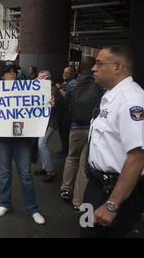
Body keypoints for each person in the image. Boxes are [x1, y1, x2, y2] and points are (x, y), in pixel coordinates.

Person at [81, 45, 144, 238]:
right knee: (86, 231)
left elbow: (137, 157)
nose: (93, 68)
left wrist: (111, 205)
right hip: (96, 187)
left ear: (118, 67)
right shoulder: (111, 96)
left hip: (115, 193)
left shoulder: (132, 102)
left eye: (99, 63)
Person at [0, 60, 45, 225]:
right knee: (4, 174)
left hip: (21, 141)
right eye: (8, 71)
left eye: (14, 71)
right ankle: (5, 203)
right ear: (2, 75)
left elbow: (37, 107)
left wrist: (48, 104)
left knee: (26, 175)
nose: (12, 74)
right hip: (1, 141)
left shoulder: (26, 90)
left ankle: (33, 209)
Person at [60, 57, 104, 215]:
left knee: (72, 158)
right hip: (92, 129)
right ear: (93, 67)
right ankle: (78, 202)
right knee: (84, 164)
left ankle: (65, 189)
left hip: (76, 127)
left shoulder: (72, 84)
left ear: (80, 67)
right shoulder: (100, 85)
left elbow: (66, 101)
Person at [34, 70, 62, 182]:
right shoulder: (47, 90)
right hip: (46, 122)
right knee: (41, 144)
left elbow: (50, 107)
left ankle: (50, 170)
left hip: (51, 122)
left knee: (42, 144)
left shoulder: (53, 90)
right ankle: (45, 167)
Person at [55, 66, 75, 158]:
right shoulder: (63, 83)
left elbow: (66, 97)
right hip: (61, 112)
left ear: (72, 74)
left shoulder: (73, 83)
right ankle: (63, 149)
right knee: (61, 132)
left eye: (67, 73)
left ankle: (66, 152)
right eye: (64, 72)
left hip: (68, 113)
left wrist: (59, 88)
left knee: (66, 133)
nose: (65, 74)